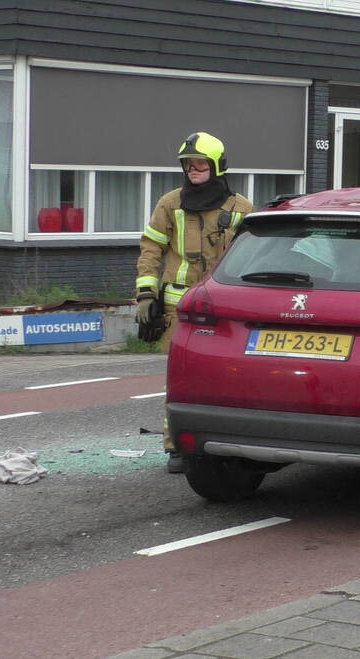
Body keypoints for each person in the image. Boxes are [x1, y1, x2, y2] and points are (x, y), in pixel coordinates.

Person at [135, 132, 253, 472]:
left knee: (229, 377)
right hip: (179, 309)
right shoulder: (170, 204)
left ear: (216, 166)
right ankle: (177, 447)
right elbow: (150, 248)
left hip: (225, 309)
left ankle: (228, 441)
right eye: (188, 164)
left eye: (200, 163)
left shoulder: (241, 208)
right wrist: (146, 294)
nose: (193, 169)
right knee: (180, 380)